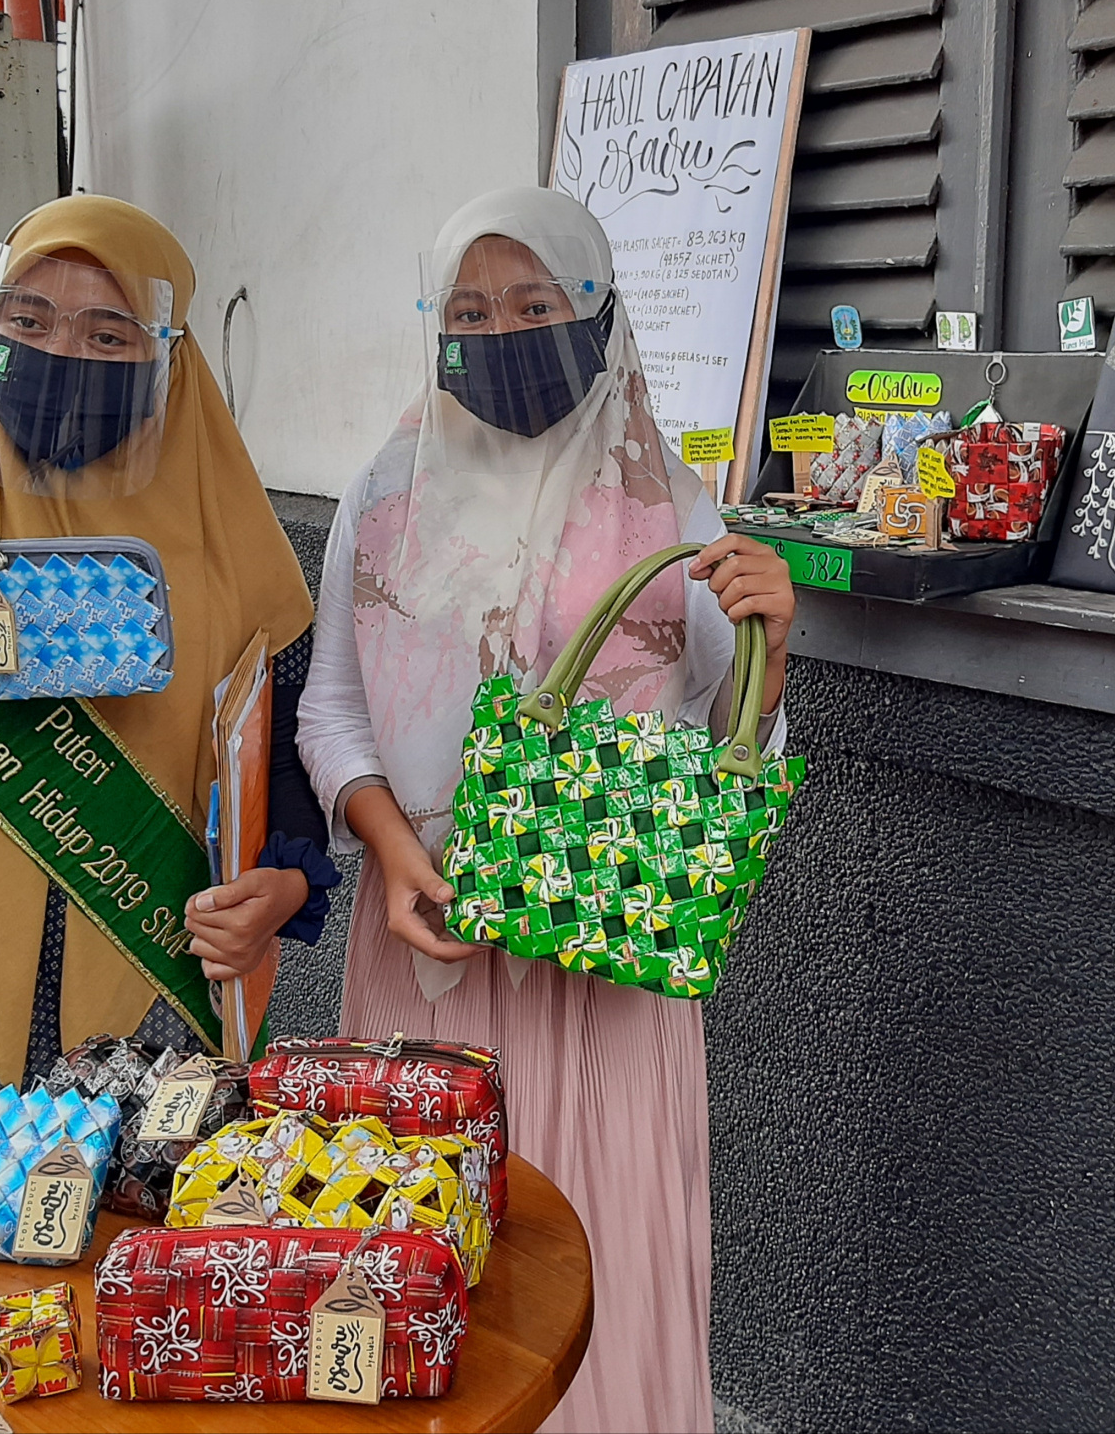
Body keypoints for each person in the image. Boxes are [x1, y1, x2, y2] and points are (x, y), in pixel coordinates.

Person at [297, 186, 796, 1434]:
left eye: (536, 304)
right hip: (426, 953)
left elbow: (731, 740)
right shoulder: (384, 495)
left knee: (602, 1273)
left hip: (601, 968)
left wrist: (769, 653)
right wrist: (390, 843)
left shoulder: (666, 507)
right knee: (419, 1268)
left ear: (600, 316)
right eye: (468, 309)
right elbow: (331, 712)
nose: (502, 332)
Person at [0, 196, 336, 1197]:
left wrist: (283, 891)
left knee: (138, 1291)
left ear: (170, 359)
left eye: (108, 330)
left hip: (156, 993)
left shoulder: (249, 566)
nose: (58, 352)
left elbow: (286, 792)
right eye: (25, 322)